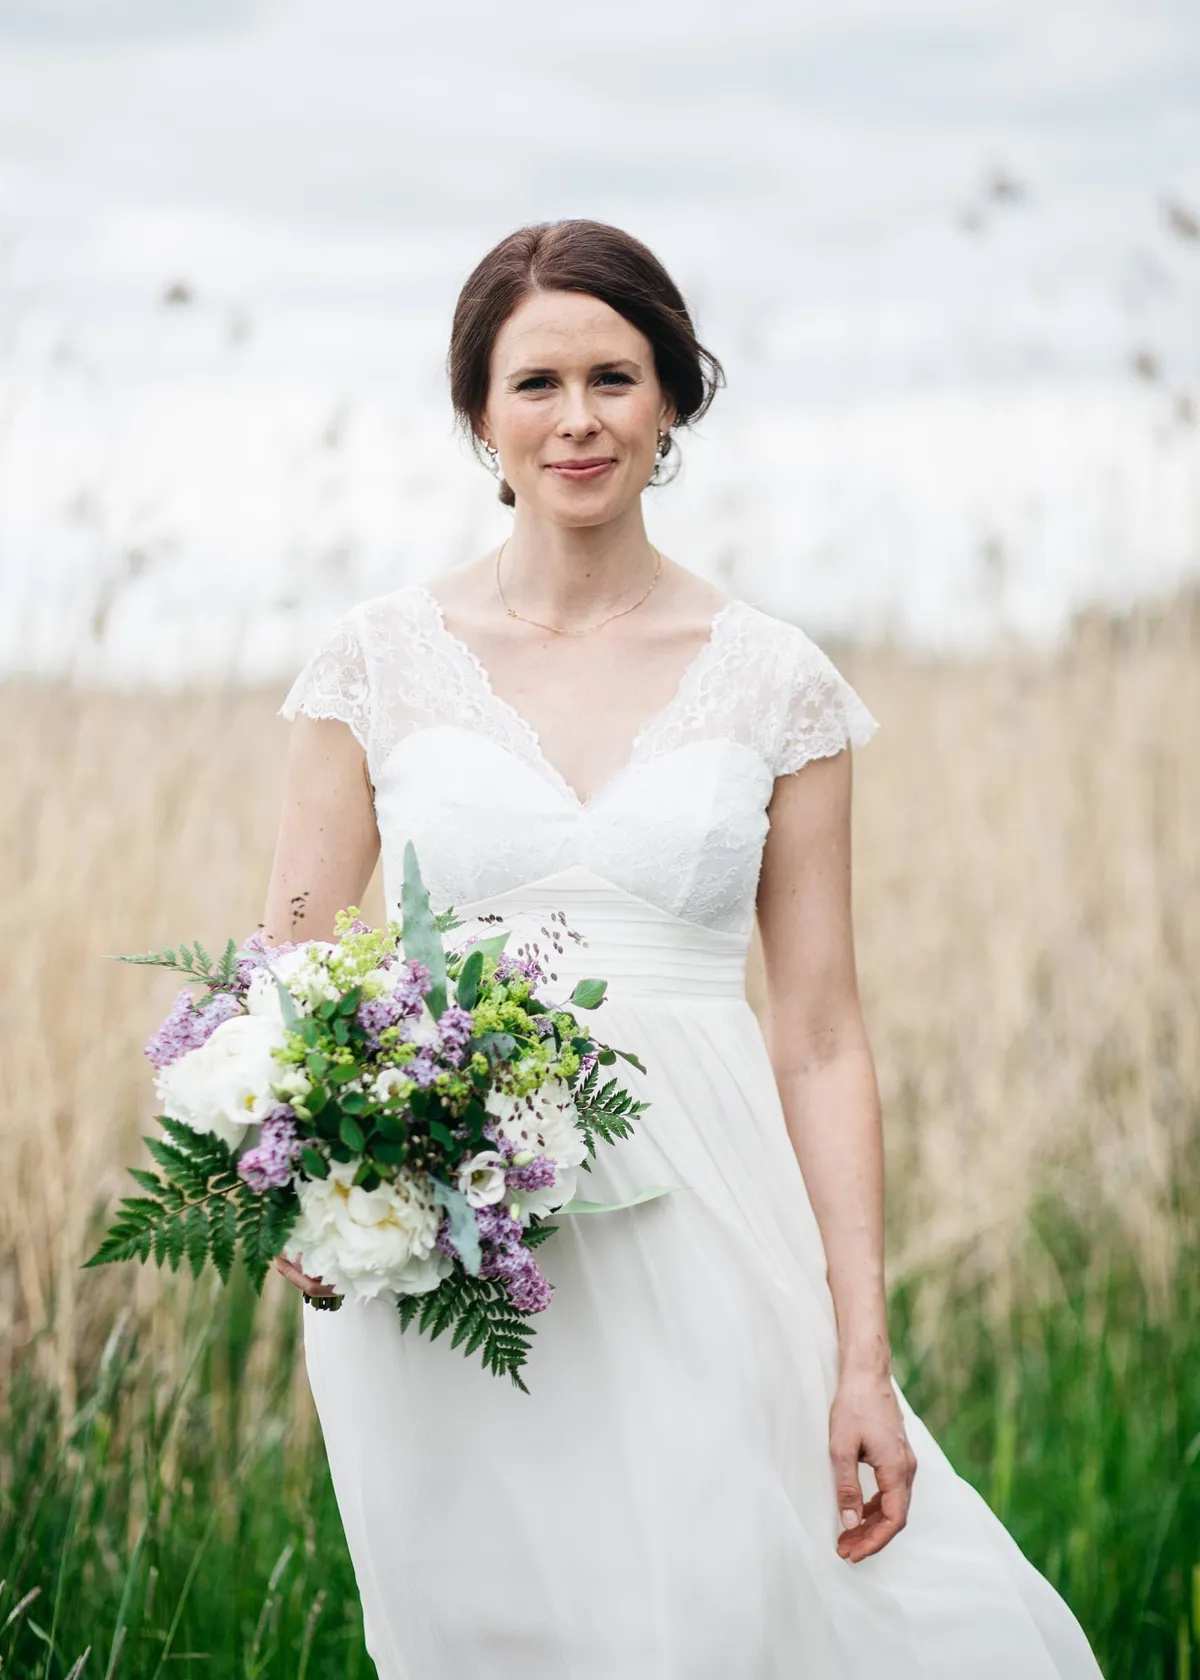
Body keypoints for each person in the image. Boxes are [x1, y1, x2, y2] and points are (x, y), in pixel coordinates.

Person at [264, 219, 1104, 1678]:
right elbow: (294, 959)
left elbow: (824, 1029)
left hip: (704, 1217)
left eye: (615, 376)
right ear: (480, 415)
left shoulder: (778, 680)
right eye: (536, 383)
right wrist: (308, 1183)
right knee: (493, 1634)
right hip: (447, 1255)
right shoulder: (373, 660)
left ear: (674, 401)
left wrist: (862, 1354)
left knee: (750, 1619)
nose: (577, 420)